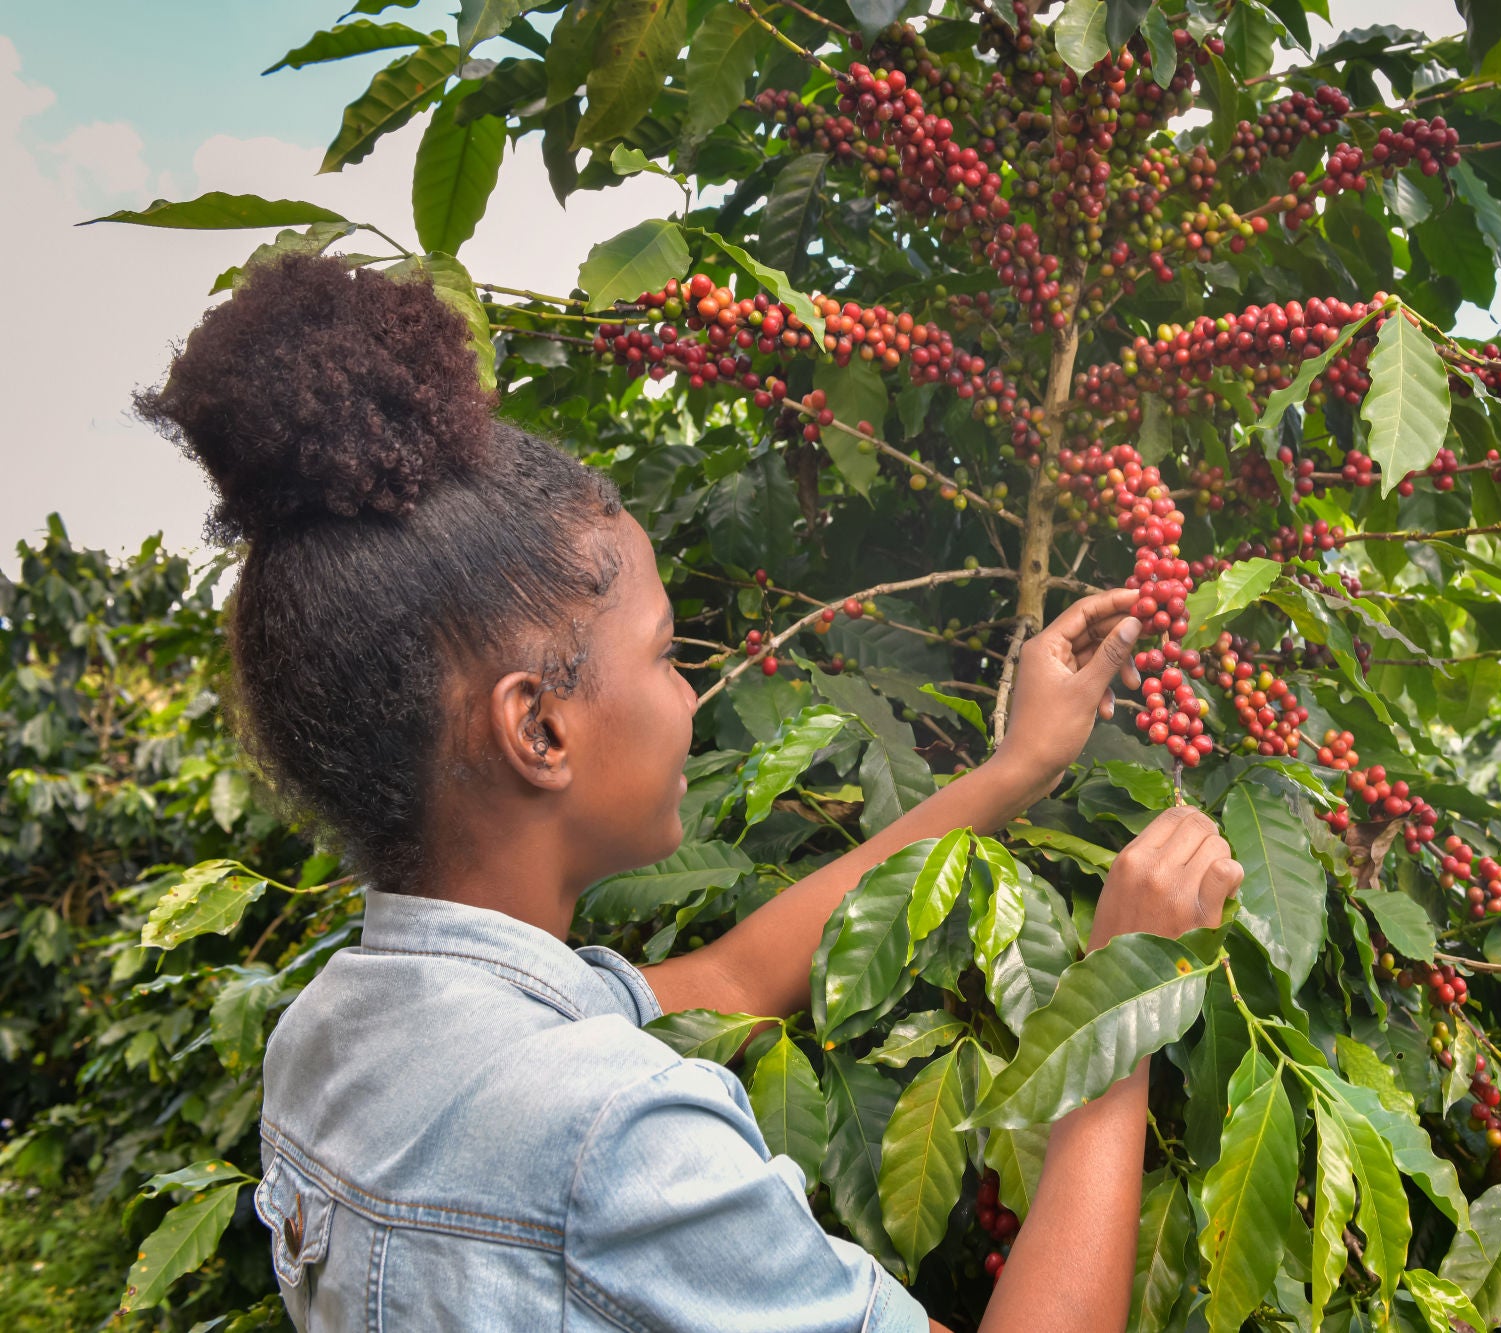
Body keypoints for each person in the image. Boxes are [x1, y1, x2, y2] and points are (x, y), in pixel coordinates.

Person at [137, 252, 1243, 1332]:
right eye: (668, 655)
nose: (695, 692)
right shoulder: (615, 1141)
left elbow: (727, 976)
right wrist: (1115, 1012)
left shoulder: (332, 1032)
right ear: (539, 726)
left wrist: (1015, 768)